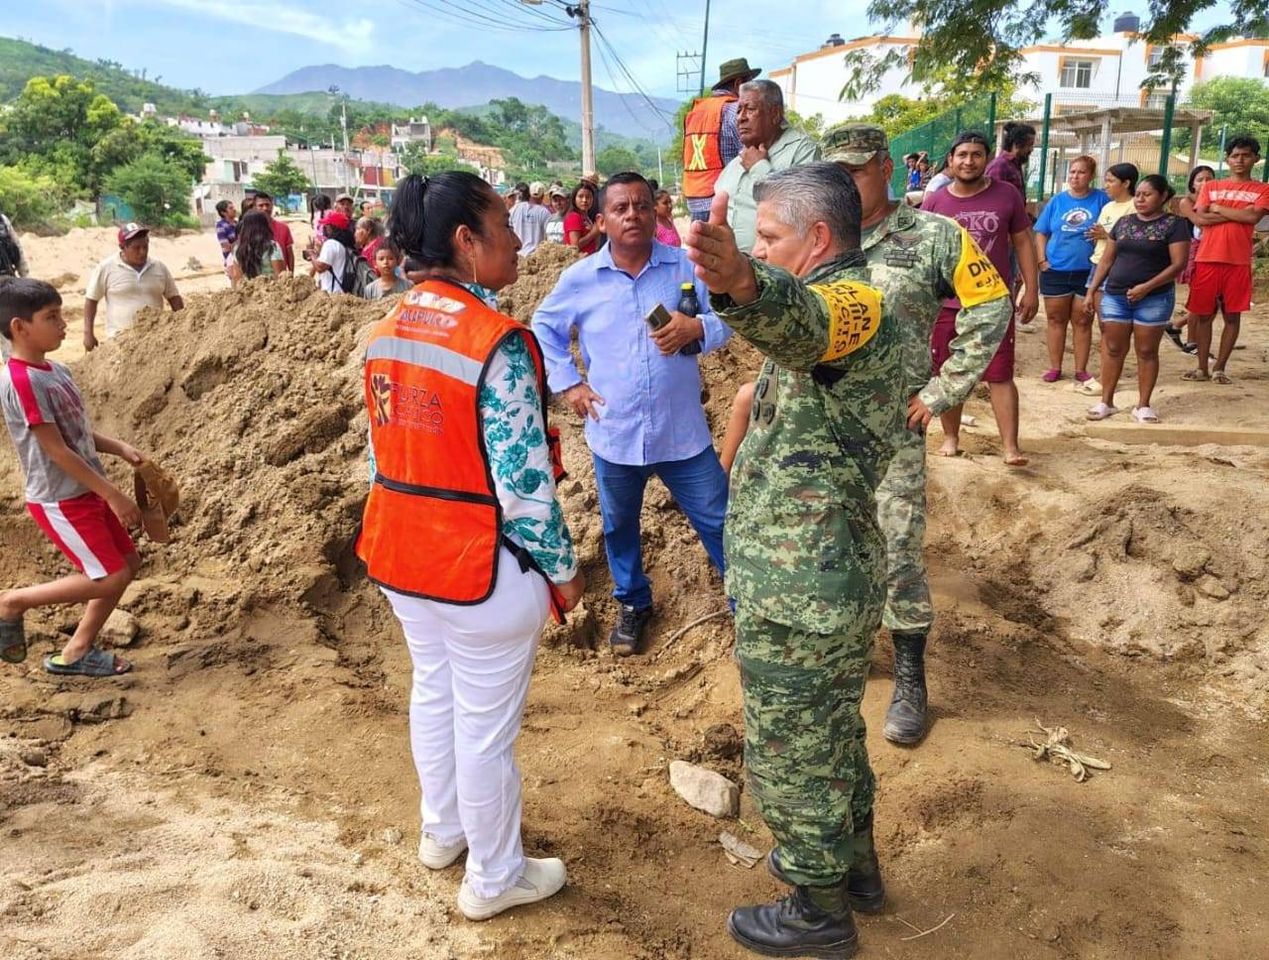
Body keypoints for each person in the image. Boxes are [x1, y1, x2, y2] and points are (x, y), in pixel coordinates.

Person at [685, 164, 903, 959]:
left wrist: (741, 280)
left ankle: (818, 913)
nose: (759, 249)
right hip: (809, 580)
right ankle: (854, 873)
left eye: (769, 237)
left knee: (791, 752)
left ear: (817, 239)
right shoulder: (844, 299)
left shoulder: (855, 300)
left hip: (805, 589)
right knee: (831, 737)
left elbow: (803, 324)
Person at [357, 171, 584, 922]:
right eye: (502, 224)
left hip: (400, 552)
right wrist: (562, 568)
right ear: (466, 240)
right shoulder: (496, 342)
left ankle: (442, 832)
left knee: (434, 691)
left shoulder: (385, 330)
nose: (518, 238)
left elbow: (381, 453)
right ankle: (493, 879)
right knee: (485, 729)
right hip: (479, 566)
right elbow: (523, 480)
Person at [823, 123, 1011, 744]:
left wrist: (941, 391)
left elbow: (991, 305)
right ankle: (846, 655)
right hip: (820, 425)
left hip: (891, 428)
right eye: (835, 174)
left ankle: (909, 677)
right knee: (829, 546)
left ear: (885, 167)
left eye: (854, 172)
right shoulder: (817, 238)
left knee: (898, 549)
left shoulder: (933, 234)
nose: (844, 185)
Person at [532, 172, 731, 655]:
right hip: (615, 434)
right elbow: (543, 327)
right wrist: (570, 384)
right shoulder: (581, 278)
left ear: (655, 211)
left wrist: (695, 329)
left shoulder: (684, 266)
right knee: (620, 526)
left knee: (720, 518)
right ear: (600, 220)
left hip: (682, 433)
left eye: (642, 205)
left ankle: (748, 599)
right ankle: (633, 603)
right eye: (620, 208)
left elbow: (726, 318)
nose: (633, 215)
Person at [0, 277, 144, 677]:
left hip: (84, 489)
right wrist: (115, 496)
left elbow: (76, 433)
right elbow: (55, 450)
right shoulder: (21, 381)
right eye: (51, 317)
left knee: (128, 564)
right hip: (60, 497)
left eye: (61, 314)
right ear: (19, 327)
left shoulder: (56, 370)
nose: (63, 324)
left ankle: (76, 653)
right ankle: (14, 601)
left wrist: (119, 448)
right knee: (110, 575)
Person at [922, 131, 1040, 466]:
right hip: (946, 303)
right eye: (962, 155)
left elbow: (1022, 242)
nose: (968, 161)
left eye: (976, 155)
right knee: (948, 372)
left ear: (987, 160)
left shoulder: (1007, 195)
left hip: (992, 302)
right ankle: (950, 437)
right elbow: (926, 252)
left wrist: (1032, 288)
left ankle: (1010, 447)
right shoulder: (937, 201)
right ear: (951, 160)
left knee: (1000, 374)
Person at [1083, 175, 1190, 424]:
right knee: (1112, 347)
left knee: (1146, 350)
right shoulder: (1124, 222)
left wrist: (1146, 287)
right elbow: (1107, 259)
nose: (1140, 199)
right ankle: (1106, 401)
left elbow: (1178, 264)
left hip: (1154, 297)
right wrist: (1092, 290)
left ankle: (1143, 405)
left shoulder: (1175, 225)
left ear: (1163, 197)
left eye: (1147, 194)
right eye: (1138, 194)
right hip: (1116, 294)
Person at [1181, 136, 1269, 384]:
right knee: (1203, 314)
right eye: (1235, 155)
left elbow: (1253, 219)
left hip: (1238, 261)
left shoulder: (1263, 189)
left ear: (1256, 159)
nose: (1240, 160)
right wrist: (1240, 214)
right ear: (1228, 159)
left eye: (1246, 155)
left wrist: (1219, 209)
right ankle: (1201, 368)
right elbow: (1200, 219)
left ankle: (1219, 367)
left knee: (1232, 316)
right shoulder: (1211, 186)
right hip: (1207, 258)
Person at [713, 80, 821, 252]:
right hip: (733, 270)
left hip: (779, 272)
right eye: (739, 110)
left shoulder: (802, 150)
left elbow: (803, 211)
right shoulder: (734, 164)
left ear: (775, 114)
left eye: (750, 109)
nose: (741, 117)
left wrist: (759, 168)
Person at [1034, 156, 1108, 383]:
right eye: (1072, 172)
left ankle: (1080, 369)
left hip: (1087, 271)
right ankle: (1055, 367)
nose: (1075, 177)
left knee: (1083, 320)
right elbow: (1041, 232)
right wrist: (1042, 261)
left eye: (1081, 172)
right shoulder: (1057, 201)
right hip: (1056, 269)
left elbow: (1113, 227)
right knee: (1056, 319)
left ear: (1091, 176)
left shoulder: (1101, 200)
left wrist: (1104, 235)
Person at [83, 224, 184, 351]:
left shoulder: (159, 267)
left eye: (145, 247)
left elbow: (174, 298)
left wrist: (183, 326)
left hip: (157, 340)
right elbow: (91, 300)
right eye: (136, 248)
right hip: (119, 342)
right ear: (122, 247)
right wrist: (88, 333)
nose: (142, 252)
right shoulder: (106, 268)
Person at [682, 56, 755, 222]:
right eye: (750, 84)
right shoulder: (735, 110)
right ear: (738, 84)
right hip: (725, 202)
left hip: (696, 200)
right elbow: (749, 155)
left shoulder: (694, 113)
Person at [1085, 162, 1139, 362]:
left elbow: (1132, 241)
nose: (1105, 185)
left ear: (1126, 183)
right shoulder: (1108, 206)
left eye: (1110, 181)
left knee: (1114, 324)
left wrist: (1106, 235)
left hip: (1117, 267)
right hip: (1098, 264)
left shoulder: (1134, 206)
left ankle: (1113, 365)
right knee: (1103, 323)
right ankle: (1106, 368)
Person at [1166, 164, 1216, 353]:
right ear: (1192, 184)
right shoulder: (1187, 202)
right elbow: (1200, 221)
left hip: (1214, 251)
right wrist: (1228, 215)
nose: (1205, 183)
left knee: (1213, 301)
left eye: (1209, 179)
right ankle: (1191, 341)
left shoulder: (1217, 201)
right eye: (1200, 179)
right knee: (1200, 298)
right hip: (1196, 253)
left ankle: (1177, 325)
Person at [226, 210, 287, 284]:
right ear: (265, 226)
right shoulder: (272, 246)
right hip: (270, 292)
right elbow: (280, 275)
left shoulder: (238, 249)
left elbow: (237, 278)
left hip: (248, 292)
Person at [986, 122, 1037, 199]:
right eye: (1029, 145)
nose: (1031, 149)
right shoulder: (999, 166)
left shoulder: (1014, 165)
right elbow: (991, 198)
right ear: (1017, 144)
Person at [310, 211, 354, 294]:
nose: (325, 227)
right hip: (341, 290)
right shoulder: (343, 243)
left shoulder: (331, 244)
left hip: (332, 292)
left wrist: (311, 254)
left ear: (333, 227)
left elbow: (320, 267)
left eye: (327, 225)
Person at [252, 190, 295, 272]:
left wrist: (290, 274)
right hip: (258, 280)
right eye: (261, 205)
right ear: (254, 207)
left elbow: (289, 254)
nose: (265, 208)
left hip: (281, 278)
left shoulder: (283, 228)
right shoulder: (249, 230)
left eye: (267, 205)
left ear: (272, 205)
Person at [510, 182, 551, 255]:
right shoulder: (545, 212)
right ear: (542, 196)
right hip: (535, 257)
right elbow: (548, 236)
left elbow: (508, 229)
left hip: (518, 255)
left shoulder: (515, 208)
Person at [562, 182, 601, 255]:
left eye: (588, 197)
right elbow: (575, 246)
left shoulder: (587, 218)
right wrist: (593, 233)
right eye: (580, 196)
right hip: (578, 262)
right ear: (574, 199)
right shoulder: (574, 217)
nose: (584, 200)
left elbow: (595, 244)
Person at [214, 199, 238, 268]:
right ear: (223, 213)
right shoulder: (220, 225)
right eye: (231, 208)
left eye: (233, 207)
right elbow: (226, 246)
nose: (234, 209)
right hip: (232, 261)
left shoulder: (237, 223)